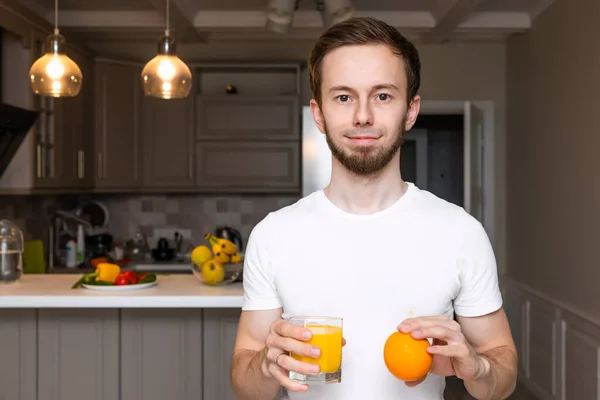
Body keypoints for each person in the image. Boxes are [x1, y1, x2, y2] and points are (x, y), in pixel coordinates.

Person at [230, 16, 517, 400]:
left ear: (410, 111)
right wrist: (266, 362)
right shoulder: (274, 235)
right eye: (344, 96)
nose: (362, 115)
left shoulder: (460, 232)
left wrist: (479, 367)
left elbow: (503, 371)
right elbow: (246, 384)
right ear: (319, 113)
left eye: (382, 95)